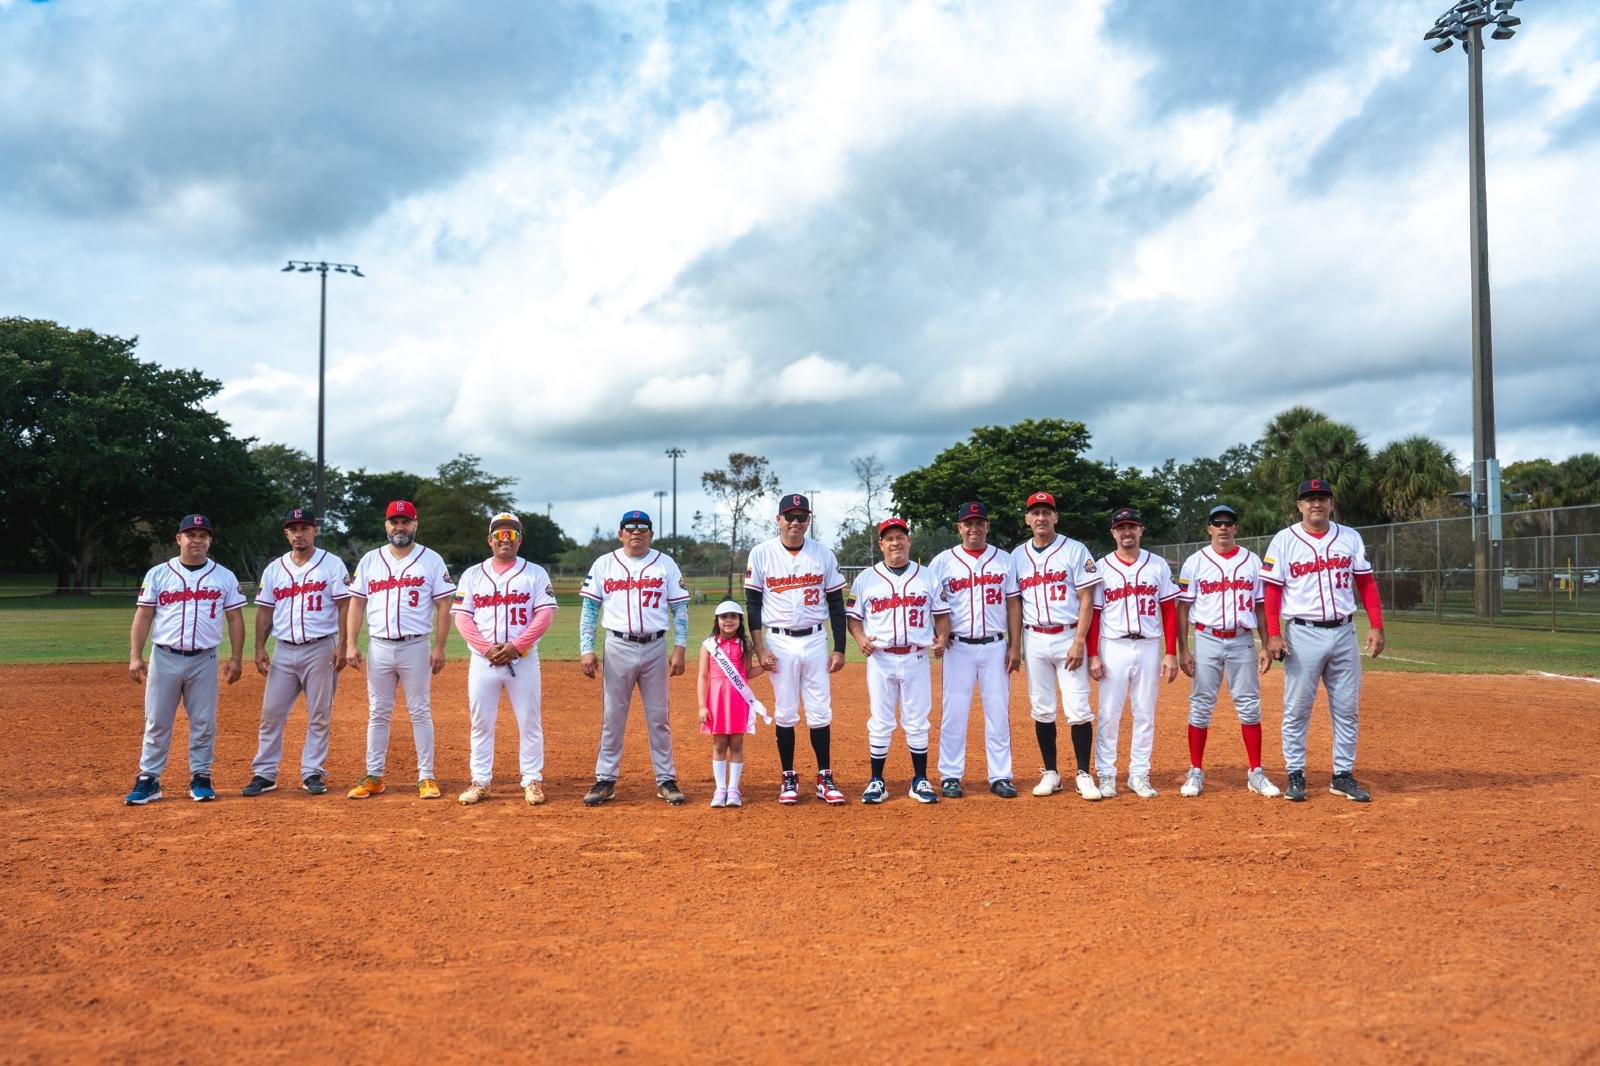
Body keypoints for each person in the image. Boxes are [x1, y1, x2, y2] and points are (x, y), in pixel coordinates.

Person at [1261, 478, 1385, 803]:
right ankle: (1296, 774)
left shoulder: (1350, 537)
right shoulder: (1284, 540)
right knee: (1297, 708)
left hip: (1345, 631)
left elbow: (1366, 583)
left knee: (1346, 708)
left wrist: (1377, 625)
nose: (1316, 503)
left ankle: (1342, 775)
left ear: (1331, 503)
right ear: (1299, 505)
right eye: (1309, 498)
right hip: (1303, 633)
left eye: (1322, 497)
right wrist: (1273, 634)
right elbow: (1271, 590)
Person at [124, 514, 247, 805]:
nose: (197, 540)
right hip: (164, 657)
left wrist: (237, 657)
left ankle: (201, 776)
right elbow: (143, 615)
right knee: (157, 720)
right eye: (190, 535)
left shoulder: (224, 576)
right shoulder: (158, 574)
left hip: (204, 659)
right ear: (179, 539)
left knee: (204, 722)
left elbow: (235, 617)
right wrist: (135, 656)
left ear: (209, 541)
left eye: (203, 535)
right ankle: (149, 779)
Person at [343, 500, 455, 800]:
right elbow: (356, 602)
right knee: (377, 712)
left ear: (415, 524)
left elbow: (445, 605)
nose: (400, 527)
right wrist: (351, 643)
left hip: (416, 645)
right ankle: (374, 775)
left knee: (419, 710)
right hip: (379, 645)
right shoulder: (370, 560)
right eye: (394, 521)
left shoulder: (431, 560)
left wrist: (440, 646)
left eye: (405, 521)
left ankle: (426, 776)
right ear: (386, 525)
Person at [578, 509, 691, 807]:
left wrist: (680, 647)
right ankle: (605, 779)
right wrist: (585, 649)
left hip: (655, 647)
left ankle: (666, 779)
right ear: (621, 533)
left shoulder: (665, 563)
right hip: (617, 645)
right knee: (613, 715)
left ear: (651, 534)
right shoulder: (604, 564)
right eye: (630, 527)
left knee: (659, 717)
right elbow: (589, 610)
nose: (636, 532)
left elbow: (680, 609)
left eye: (643, 527)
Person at [744, 493, 849, 805]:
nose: (795, 522)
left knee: (819, 710)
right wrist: (760, 648)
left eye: (801, 517)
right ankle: (788, 776)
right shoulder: (761, 553)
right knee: (786, 710)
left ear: (808, 520)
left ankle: (824, 777)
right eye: (789, 516)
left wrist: (840, 647)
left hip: (815, 639)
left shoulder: (822, 554)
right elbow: (752, 603)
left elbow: (836, 603)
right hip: (778, 641)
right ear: (778, 520)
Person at [241, 507, 351, 798]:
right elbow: (265, 611)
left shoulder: (333, 564)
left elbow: (344, 606)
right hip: (284, 650)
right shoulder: (275, 568)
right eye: (293, 528)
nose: (299, 533)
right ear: (286, 533)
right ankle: (265, 773)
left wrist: (342, 645)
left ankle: (312, 771)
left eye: (304, 528)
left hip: (320, 648)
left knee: (319, 714)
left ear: (315, 531)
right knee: (271, 713)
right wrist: (259, 647)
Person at [451, 513, 559, 807]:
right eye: (500, 535)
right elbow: (462, 617)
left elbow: (545, 614)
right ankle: (480, 781)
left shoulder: (535, 573)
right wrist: (486, 648)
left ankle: (532, 779)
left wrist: (517, 645)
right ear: (490, 540)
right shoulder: (473, 574)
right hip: (483, 661)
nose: (505, 540)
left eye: (512, 535)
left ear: (520, 539)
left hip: (522, 659)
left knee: (529, 720)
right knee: (481, 722)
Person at [1175, 504, 1279, 798]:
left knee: (1249, 705)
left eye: (1228, 522)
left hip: (1242, 640)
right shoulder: (1195, 562)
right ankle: (1195, 770)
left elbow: (1260, 605)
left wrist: (1266, 642)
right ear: (1209, 528)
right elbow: (1183, 608)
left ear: (1236, 527)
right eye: (1217, 523)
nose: (1223, 527)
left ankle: (1255, 772)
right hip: (1206, 638)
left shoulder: (1251, 561)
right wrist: (1184, 649)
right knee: (1201, 705)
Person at [846, 518, 951, 804]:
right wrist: (860, 639)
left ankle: (920, 780)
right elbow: (853, 619)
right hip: (880, 658)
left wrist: (941, 638)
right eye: (889, 538)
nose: (895, 542)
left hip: (916, 656)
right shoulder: (866, 579)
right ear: (881, 544)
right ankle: (876, 780)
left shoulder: (927, 576)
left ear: (909, 541)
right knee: (880, 721)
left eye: (900, 537)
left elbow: (941, 613)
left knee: (917, 721)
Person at [1010, 491, 1103, 801]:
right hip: (1034, 637)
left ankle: (1083, 774)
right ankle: (1051, 771)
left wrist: (1079, 641)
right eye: (1035, 512)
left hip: (1067, 636)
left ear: (1055, 517)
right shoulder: (1017, 556)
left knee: (1078, 707)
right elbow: (1015, 603)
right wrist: (1016, 645)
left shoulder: (1075, 550)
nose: (1041, 518)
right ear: (1027, 519)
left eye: (1046, 512)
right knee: (1042, 707)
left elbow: (1088, 598)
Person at [928, 501, 1022, 799]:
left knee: (998, 712)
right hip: (958, 647)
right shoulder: (942, 562)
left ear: (987, 526)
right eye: (968, 523)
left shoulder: (1004, 560)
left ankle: (1001, 775)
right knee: (953, 713)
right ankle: (951, 776)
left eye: (979, 522)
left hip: (995, 646)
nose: (974, 528)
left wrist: (1015, 645)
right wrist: (938, 636)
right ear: (959, 527)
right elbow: (928, 601)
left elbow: (1013, 603)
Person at [1087, 507, 1180, 798]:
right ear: (1113, 532)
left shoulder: (1157, 565)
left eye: (1132, 527)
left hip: (1150, 645)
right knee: (1109, 714)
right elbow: (1094, 613)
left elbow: (1168, 609)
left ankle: (1139, 773)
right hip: (1113, 644)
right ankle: (1106, 774)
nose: (1126, 532)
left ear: (1141, 530)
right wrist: (1093, 653)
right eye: (1120, 527)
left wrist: (1171, 652)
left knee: (1145, 713)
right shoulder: (1102, 567)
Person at [697, 600, 767, 809]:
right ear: (717, 620)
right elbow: (702, 676)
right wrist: (702, 705)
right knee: (719, 744)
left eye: (733, 617)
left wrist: (765, 667)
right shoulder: (709, 644)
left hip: (737, 701)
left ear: (740, 620)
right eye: (724, 617)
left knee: (736, 744)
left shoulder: (745, 644)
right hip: (717, 701)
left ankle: (734, 788)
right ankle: (720, 789)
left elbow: (747, 674)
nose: (728, 621)